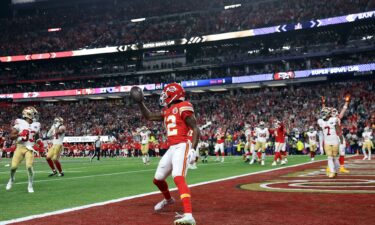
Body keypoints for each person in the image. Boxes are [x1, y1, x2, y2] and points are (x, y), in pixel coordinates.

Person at [130, 83, 199, 225]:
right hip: (172, 147)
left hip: (183, 144)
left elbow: (195, 128)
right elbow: (149, 116)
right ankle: (168, 199)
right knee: (158, 179)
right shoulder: (168, 111)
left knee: (178, 177)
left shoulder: (184, 106)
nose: (163, 96)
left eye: (166, 93)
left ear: (173, 94)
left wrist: (192, 149)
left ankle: (189, 215)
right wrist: (140, 103)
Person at [6, 106, 41, 193]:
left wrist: (38, 141)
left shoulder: (36, 124)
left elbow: (36, 135)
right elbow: (11, 136)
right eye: (34, 114)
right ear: (28, 114)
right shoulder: (19, 123)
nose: (35, 116)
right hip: (20, 147)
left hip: (30, 148)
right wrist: (19, 135)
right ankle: (11, 179)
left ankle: (30, 185)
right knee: (13, 167)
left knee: (29, 166)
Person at [318, 107, 341, 178]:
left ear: (328, 114)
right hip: (327, 142)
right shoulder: (320, 121)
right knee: (329, 157)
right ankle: (332, 171)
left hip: (335, 141)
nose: (323, 114)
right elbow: (321, 132)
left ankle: (336, 171)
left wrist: (341, 140)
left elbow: (338, 131)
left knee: (335, 158)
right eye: (322, 113)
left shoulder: (334, 119)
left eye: (324, 113)